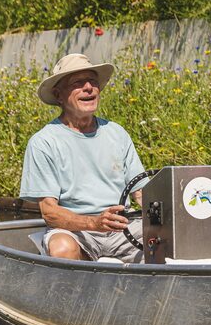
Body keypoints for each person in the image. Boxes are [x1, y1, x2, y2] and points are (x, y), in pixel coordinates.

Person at [19, 52, 145, 263]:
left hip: (123, 226)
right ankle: (72, 292)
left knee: (168, 241)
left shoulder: (116, 133)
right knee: (62, 247)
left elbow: (141, 192)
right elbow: (49, 212)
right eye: (78, 82)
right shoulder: (44, 142)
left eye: (93, 82)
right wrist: (94, 223)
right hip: (76, 231)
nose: (89, 88)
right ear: (59, 95)